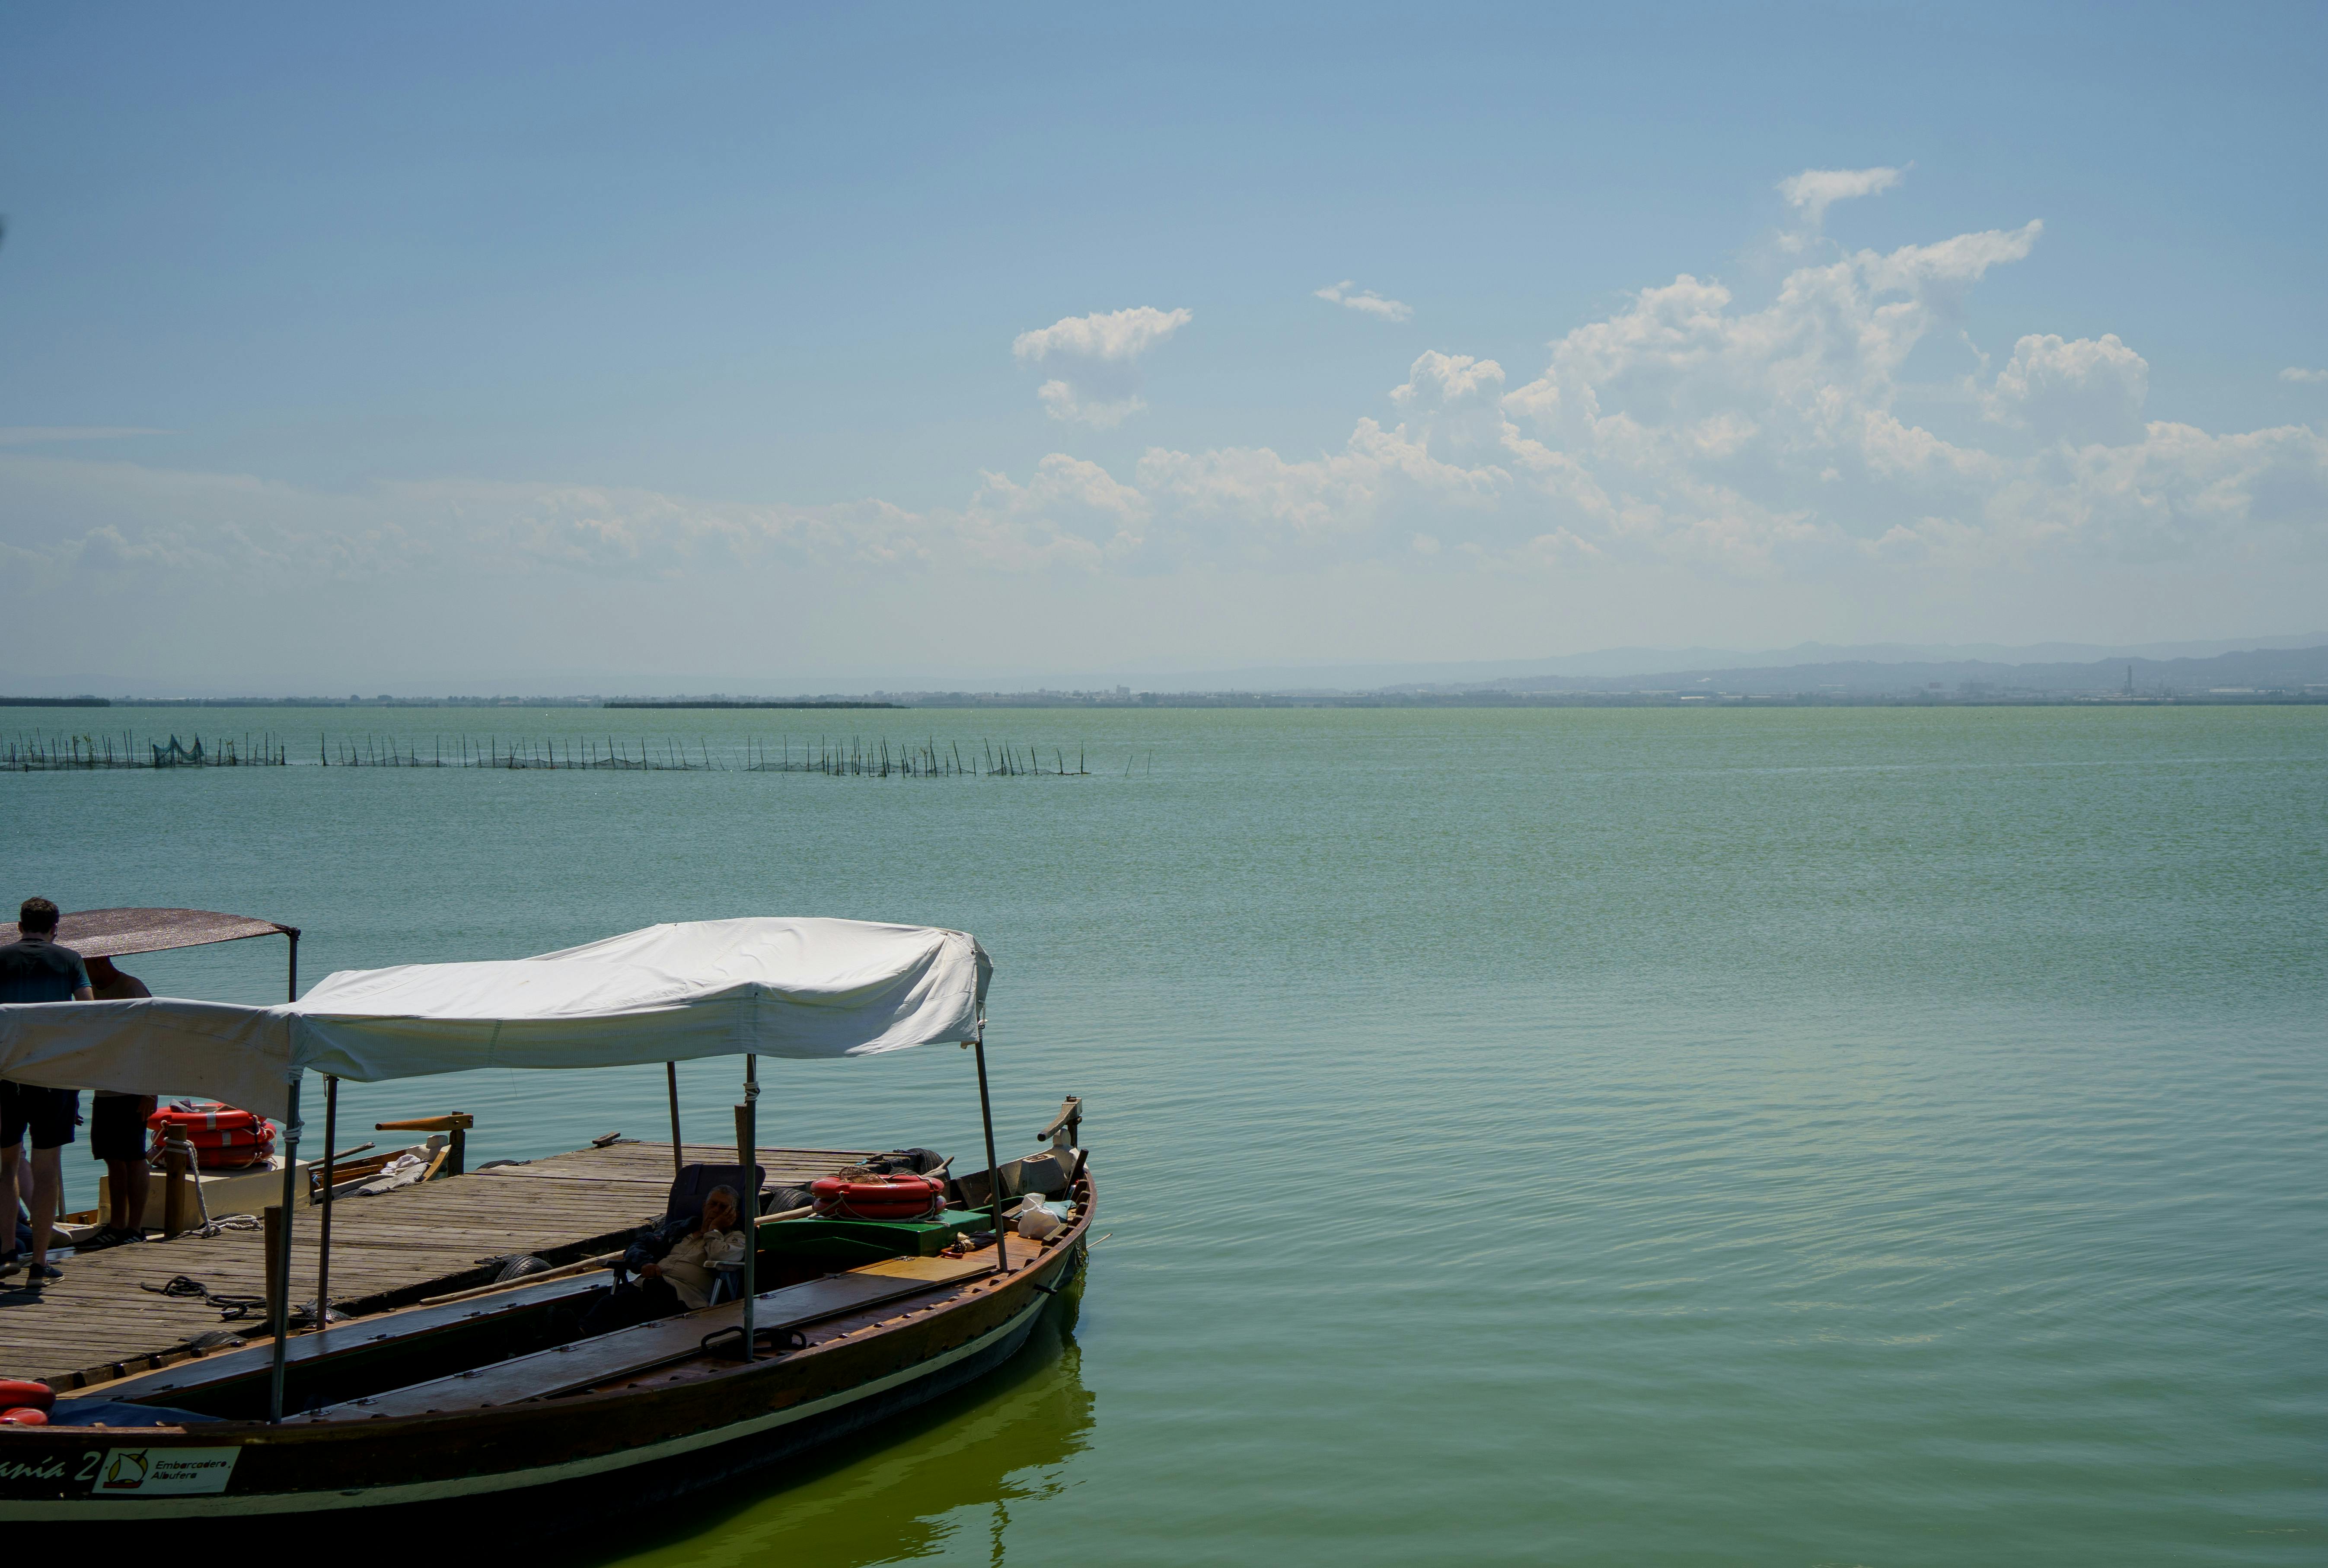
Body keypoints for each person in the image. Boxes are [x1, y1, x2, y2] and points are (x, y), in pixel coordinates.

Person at [0, 898, 92, 1285]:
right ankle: (39, 1264)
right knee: (47, 1166)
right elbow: (89, 1013)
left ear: (20, 926)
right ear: (56, 927)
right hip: (53, 1077)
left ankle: (7, 1255)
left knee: (6, 1167)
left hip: (6, 1075)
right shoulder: (70, 960)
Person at [575, 1185, 746, 1336]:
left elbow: (720, 1257)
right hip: (650, 1284)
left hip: (684, 1296)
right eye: (712, 1204)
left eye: (723, 1207)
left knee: (645, 1305)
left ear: (734, 1215)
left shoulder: (736, 1238)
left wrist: (715, 1230)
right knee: (611, 1302)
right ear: (704, 1206)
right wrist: (645, 1263)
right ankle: (576, 1333)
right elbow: (638, 1245)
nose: (716, 1210)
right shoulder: (679, 1229)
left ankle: (586, 1334)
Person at [84, 955, 153, 1249]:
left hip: (132, 1088)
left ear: (100, 962)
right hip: (104, 1089)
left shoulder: (132, 989)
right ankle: (116, 1225)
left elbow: (154, 1038)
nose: (82, 973)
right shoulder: (87, 995)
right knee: (113, 1158)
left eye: (85, 966)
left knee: (134, 1158)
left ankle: (135, 1228)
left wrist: (150, 1091)